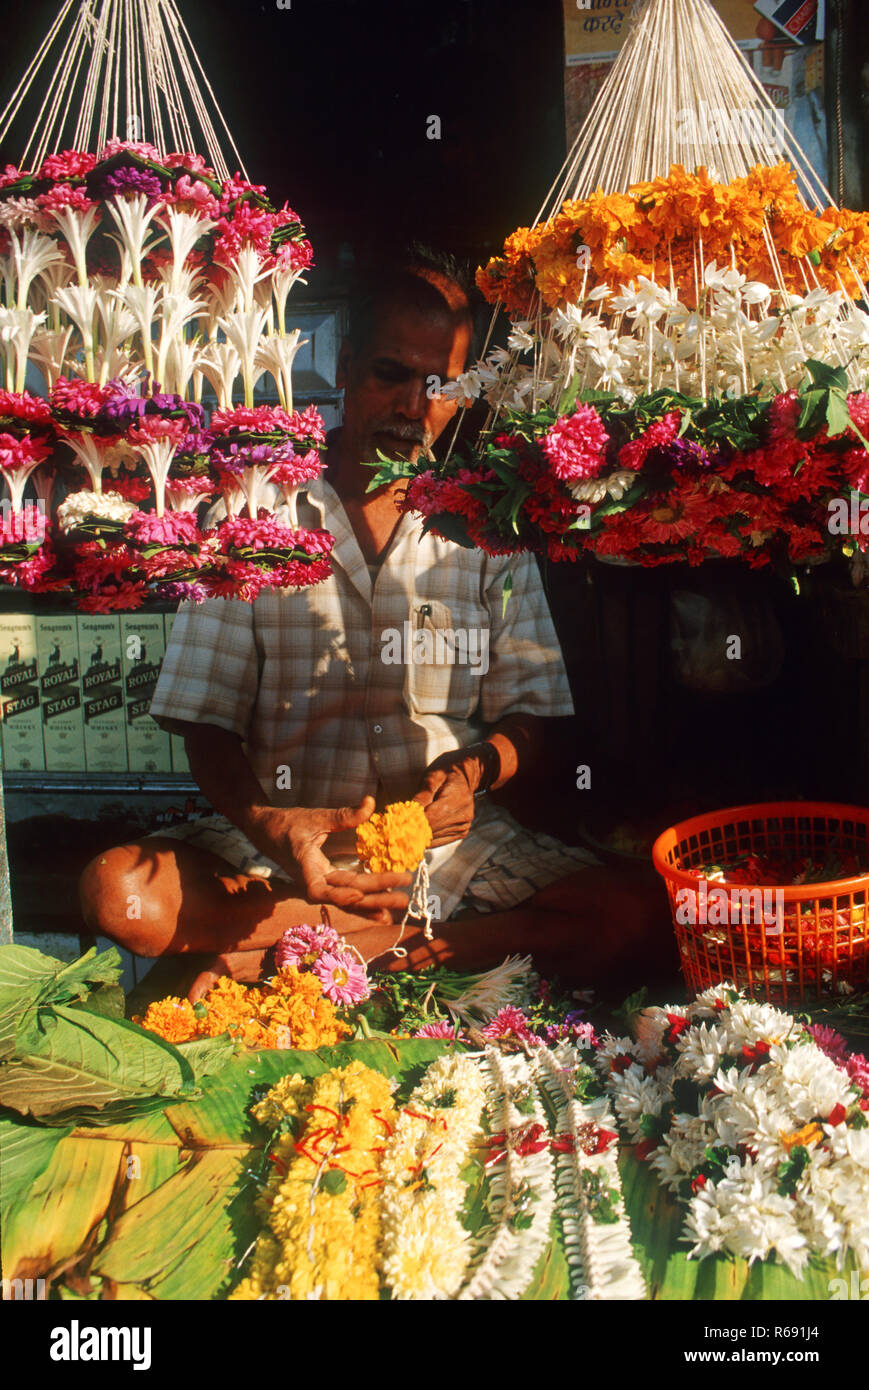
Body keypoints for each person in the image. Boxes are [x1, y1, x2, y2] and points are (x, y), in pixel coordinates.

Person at [79, 247, 672, 999]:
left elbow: (531, 716)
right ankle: (390, 944)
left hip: (448, 853)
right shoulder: (255, 509)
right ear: (349, 366)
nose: (412, 407)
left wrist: (473, 773)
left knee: (644, 913)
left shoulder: (486, 523)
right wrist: (277, 825)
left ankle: (299, 953)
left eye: (439, 386)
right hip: (280, 850)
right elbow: (206, 725)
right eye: (389, 375)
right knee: (120, 895)